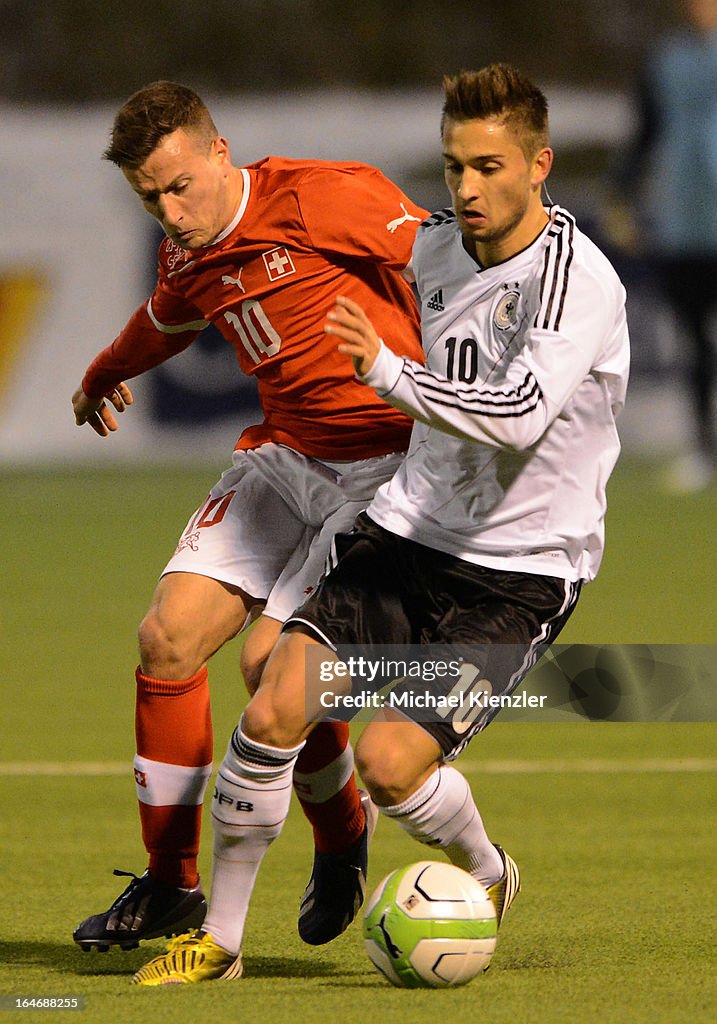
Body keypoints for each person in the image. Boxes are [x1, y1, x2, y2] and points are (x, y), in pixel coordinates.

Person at [131, 63, 630, 985]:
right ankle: (221, 942)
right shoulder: (434, 250)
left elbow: (517, 411)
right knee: (273, 698)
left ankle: (486, 873)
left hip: (519, 570)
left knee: (392, 763)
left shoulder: (578, 281)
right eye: (452, 168)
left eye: (488, 167)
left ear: (538, 165)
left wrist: (388, 376)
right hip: (404, 531)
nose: (467, 188)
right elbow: (305, 247)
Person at [71, 80, 428, 953]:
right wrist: (104, 369)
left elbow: (447, 263)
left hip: (385, 472)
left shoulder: (322, 196)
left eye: (179, 184)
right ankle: (169, 884)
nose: (170, 209)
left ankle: (342, 838)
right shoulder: (185, 251)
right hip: (283, 457)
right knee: (167, 639)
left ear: (218, 150)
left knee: (273, 672)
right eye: (149, 197)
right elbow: (168, 319)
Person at [608, 0, 717, 491]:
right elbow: (646, 135)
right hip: (685, 223)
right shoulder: (667, 63)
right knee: (696, 340)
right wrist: (620, 195)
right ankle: (704, 448)